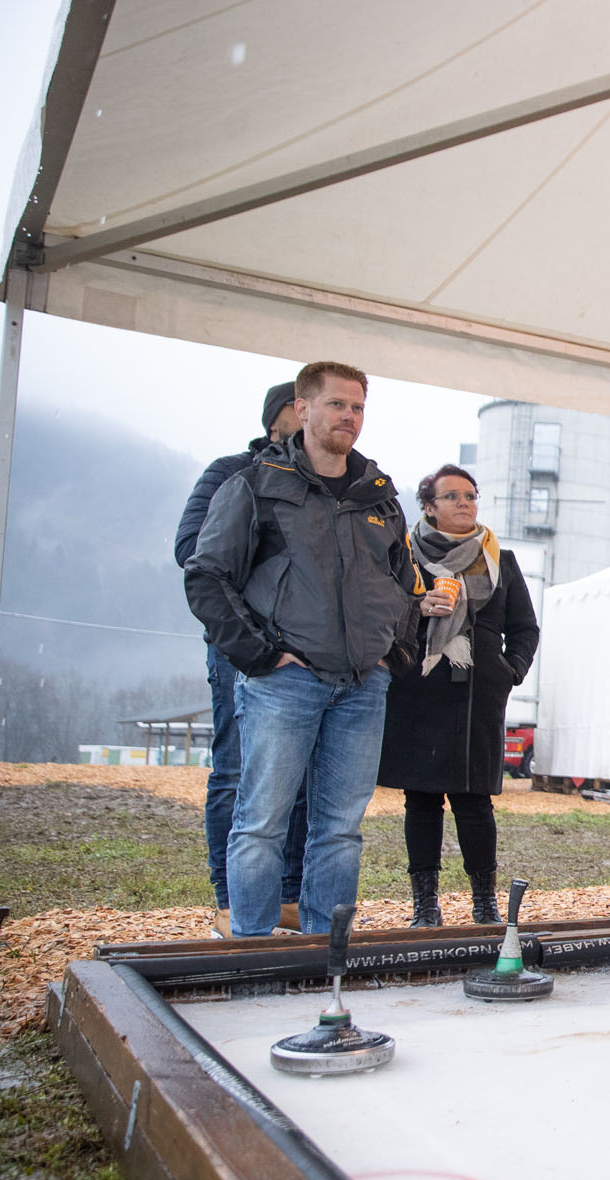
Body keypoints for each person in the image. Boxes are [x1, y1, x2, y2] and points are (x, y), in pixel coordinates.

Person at [185, 361, 416, 937]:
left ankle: (326, 954)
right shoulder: (254, 485)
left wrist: (393, 653)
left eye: (357, 407)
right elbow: (206, 575)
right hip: (285, 681)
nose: (349, 416)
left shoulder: (380, 497)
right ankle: (252, 951)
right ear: (302, 408)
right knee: (261, 822)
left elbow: (405, 585)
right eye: (337, 404)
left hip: (362, 686)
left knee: (340, 830)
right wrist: (261, 655)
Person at [377, 464, 539, 927]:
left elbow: (525, 627)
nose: (465, 503)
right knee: (421, 801)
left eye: (470, 495)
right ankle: (425, 905)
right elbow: (381, 612)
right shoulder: (404, 556)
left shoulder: (499, 559)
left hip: (477, 696)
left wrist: (509, 671)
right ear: (429, 506)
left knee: (474, 802)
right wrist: (417, 607)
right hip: (418, 689)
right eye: (452, 496)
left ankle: (484, 903)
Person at [174, 381, 308, 937]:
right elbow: (191, 550)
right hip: (243, 645)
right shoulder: (231, 472)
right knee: (236, 769)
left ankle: (289, 898)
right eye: (303, 406)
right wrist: (272, 575)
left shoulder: (327, 484)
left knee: (299, 777)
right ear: (278, 418)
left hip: (307, 652)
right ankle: (232, 902)